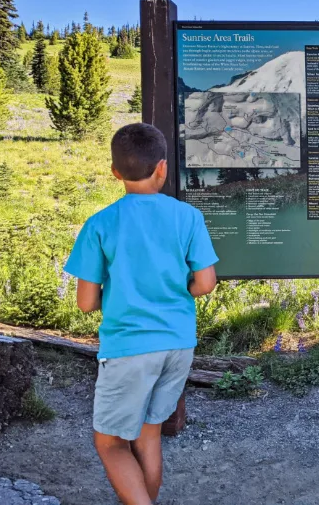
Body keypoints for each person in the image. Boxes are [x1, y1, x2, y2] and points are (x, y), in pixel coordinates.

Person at [65, 123, 219, 505]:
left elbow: (85, 302)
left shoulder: (99, 224)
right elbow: (206, 282)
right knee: (148, 435)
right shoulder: (188, 217)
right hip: (178, 344)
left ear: (115, 171)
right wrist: (178, 291)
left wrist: (117, 296)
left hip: (129, 347)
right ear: (163, 168)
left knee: (110, 442)